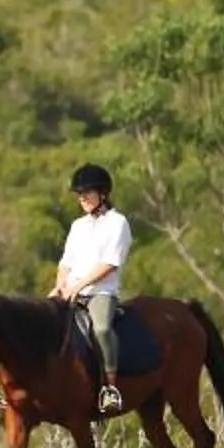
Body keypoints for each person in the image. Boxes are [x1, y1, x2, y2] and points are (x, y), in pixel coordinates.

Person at [50, 163, 131, 416]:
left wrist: (79, 285)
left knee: (102, 328)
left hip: (100, 292)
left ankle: (110, 388)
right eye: (79, 194)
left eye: (87, 192)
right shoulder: (78, 226)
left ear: (103, 194)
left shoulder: (118, 223)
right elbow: (66, 262)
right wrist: (60, 285)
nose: (81, 197)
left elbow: (110, 263)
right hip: (71, 289)